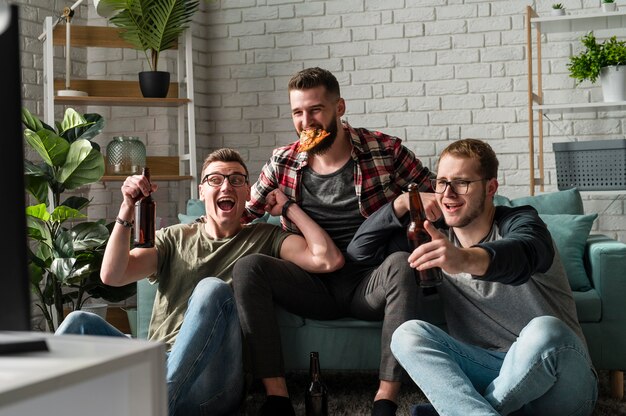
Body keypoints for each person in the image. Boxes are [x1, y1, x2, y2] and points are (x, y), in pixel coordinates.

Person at [55, 148, 344, 416]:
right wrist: (127, 208)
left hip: (214, 382)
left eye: (236, 179)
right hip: (157, 365)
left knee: (212, 289)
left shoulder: (264, 238)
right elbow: (113, 275)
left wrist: (289, 208)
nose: (226, 186)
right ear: (202, 190)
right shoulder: (173, 237)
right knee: (79, 322)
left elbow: (326, 259)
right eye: (215, 179)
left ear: (247, 191)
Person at [232, 67, 437, 416]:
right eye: (298, 112)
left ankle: (385, 399)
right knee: (249, 267)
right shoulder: (282, 161)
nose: (306, 121)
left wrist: (413, 204)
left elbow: (436, 192)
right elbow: (241, 215)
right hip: (310, 282)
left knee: (403, 264)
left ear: (339, 107)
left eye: (316, 110)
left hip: (368, 281)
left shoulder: (384, 150)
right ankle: (277, 398)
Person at [348, 139, 598, 415]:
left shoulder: (521, 223)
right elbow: (359, 252)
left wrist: (463, 258)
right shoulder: (433, 236)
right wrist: (401, 203)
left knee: (546, 331)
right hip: (487, 371)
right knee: (407, 335)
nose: (448, 193)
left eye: (462, 183)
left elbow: (524, 252)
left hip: (560, 381)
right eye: (441, 182)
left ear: (491, 188)